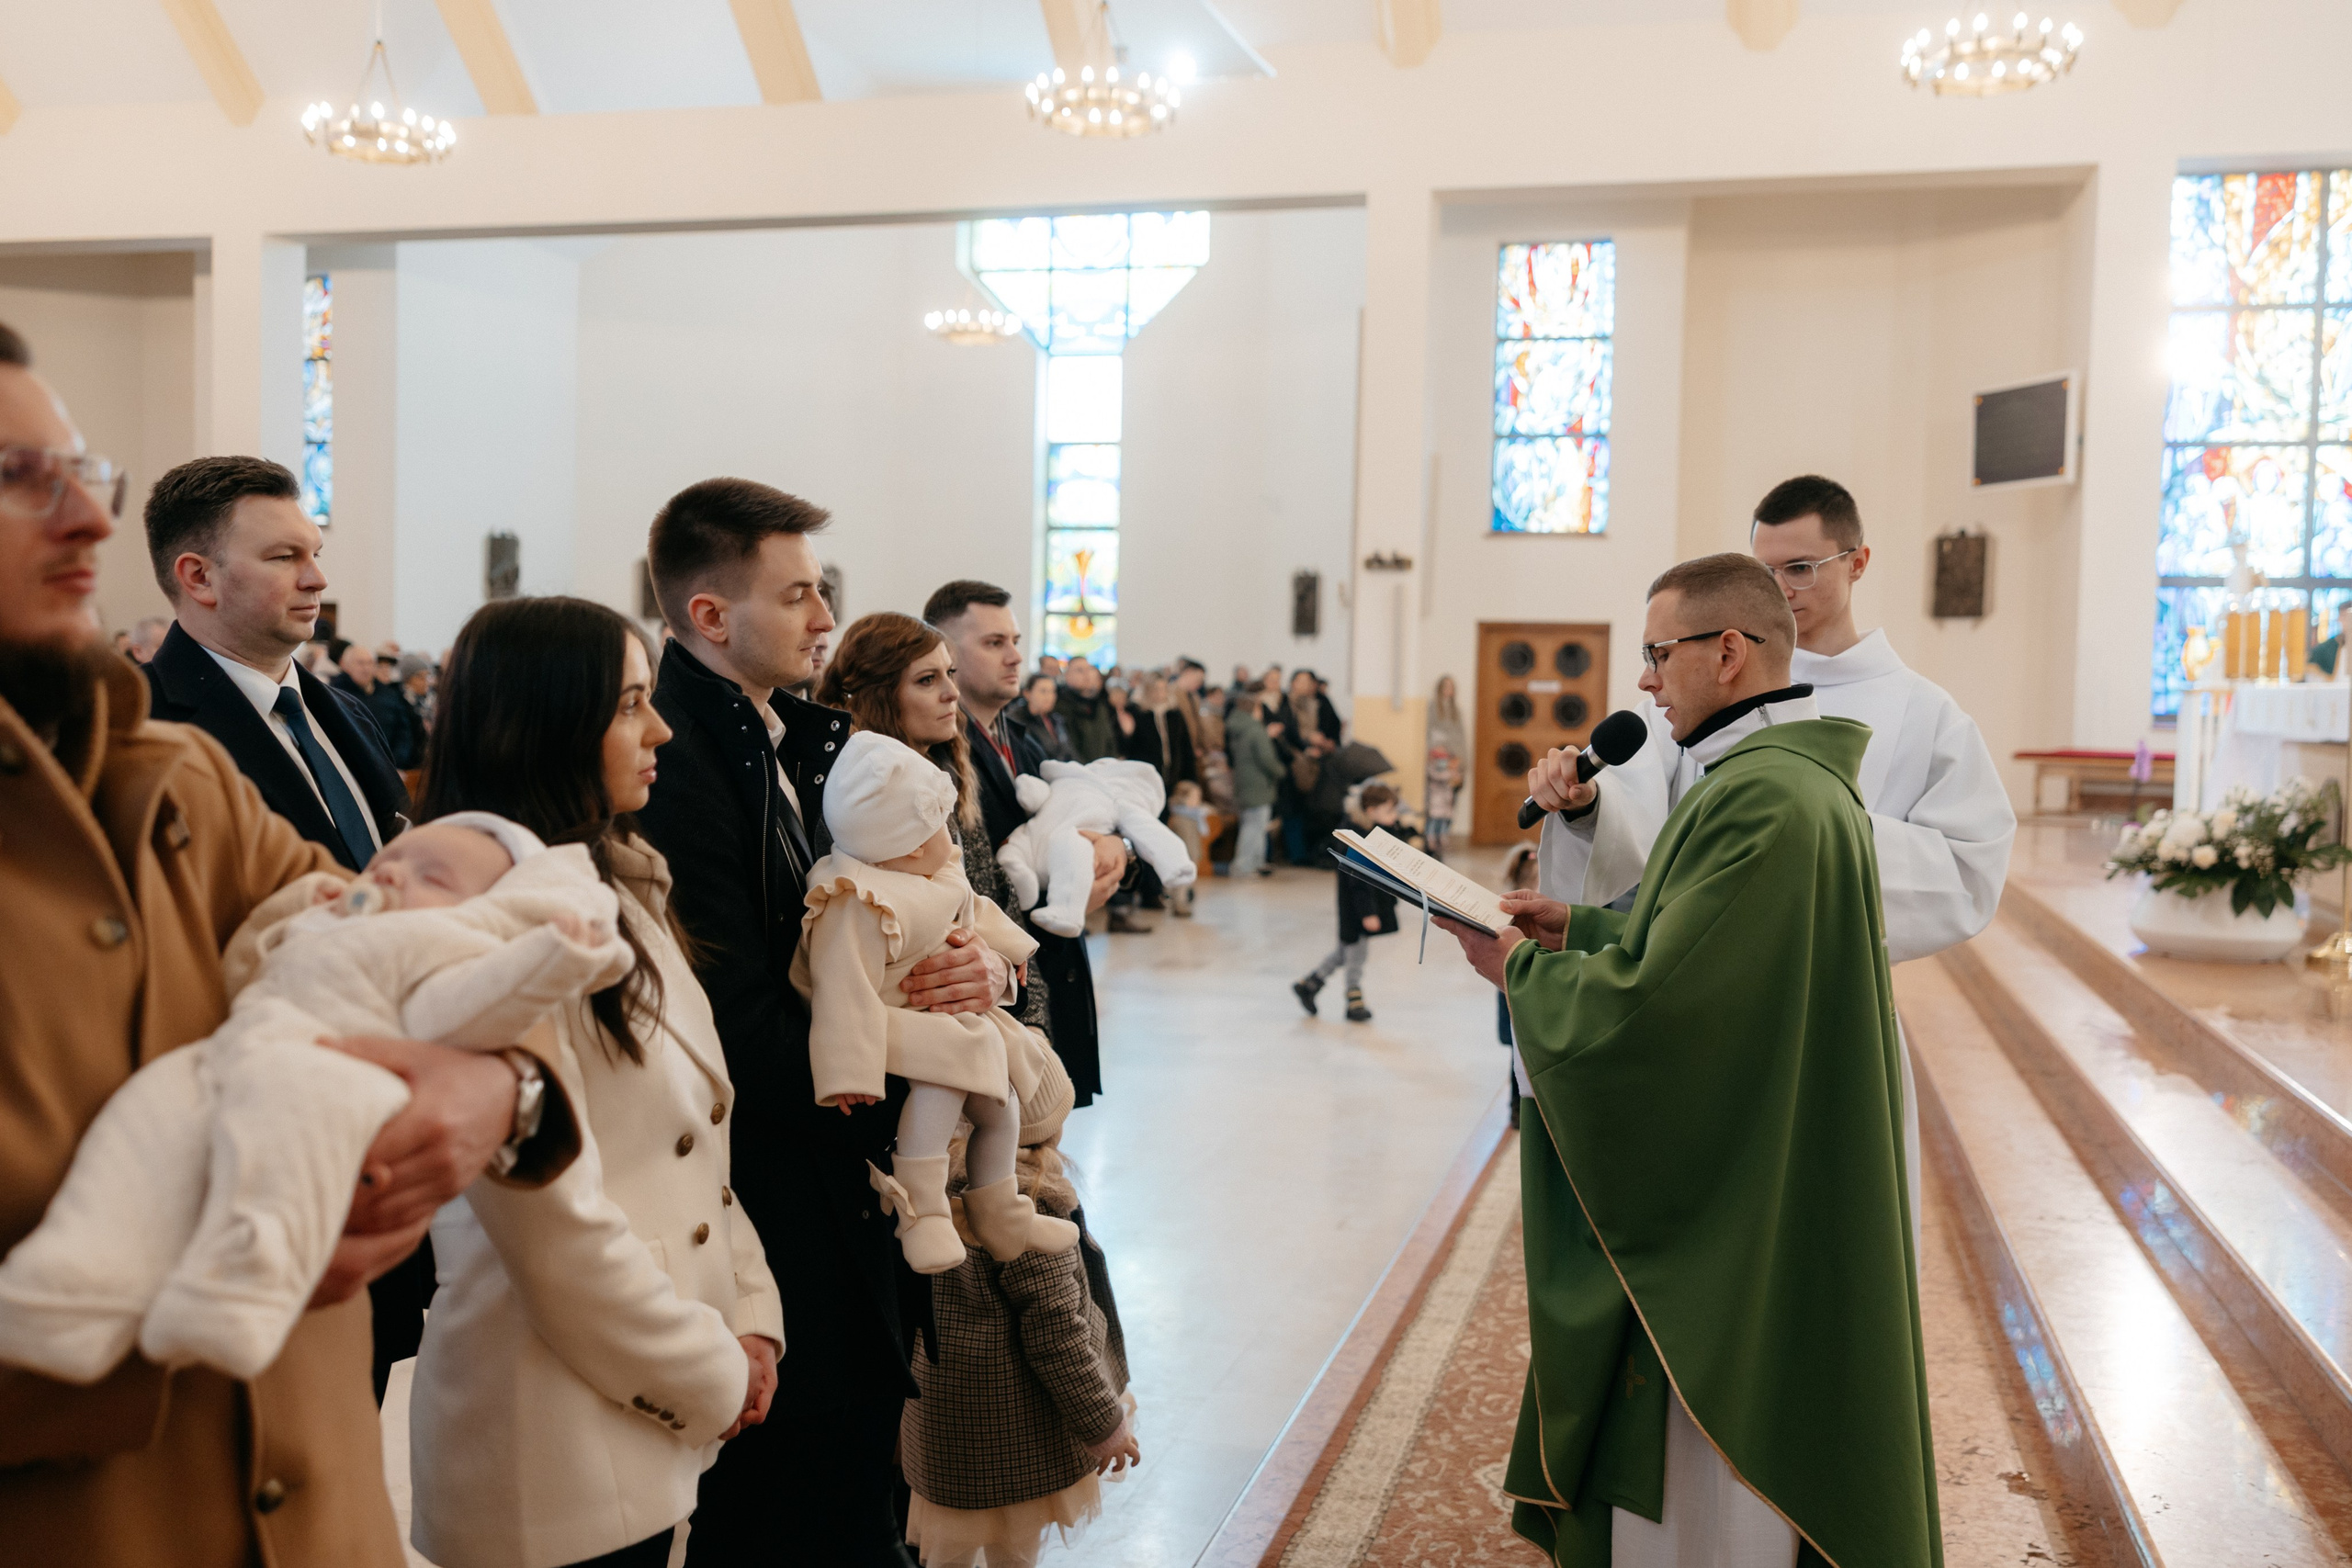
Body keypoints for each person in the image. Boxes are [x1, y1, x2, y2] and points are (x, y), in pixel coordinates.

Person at [0, 317, 577, 1565]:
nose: (95, 525)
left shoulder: (172, 773)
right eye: (17, 477)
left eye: (81, 477)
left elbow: (407, 955)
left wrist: (501, 1086)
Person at [1446, 554, 1936, 1568]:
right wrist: (1574, 929)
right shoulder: (1767, 783)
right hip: (1764, 1156)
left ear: (1727, 650)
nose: (1644, 682)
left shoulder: (1764, 802)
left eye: (1658, 654)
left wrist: (1517, 975)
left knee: (1706, 1507)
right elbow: (1678, 946)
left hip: (1732, 1211)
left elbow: (1665, 1016)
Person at [635, 480, 1004, 1567]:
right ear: (711, 616)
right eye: (798, 595)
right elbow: (730, 1015)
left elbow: (886, 924)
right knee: (795, 1507)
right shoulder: (686, 770)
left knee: (852, 1485)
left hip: (844, 1176)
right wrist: (902, 1101)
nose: (823, 618)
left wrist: (967, 975)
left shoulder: (793, 740)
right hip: (781, 1189)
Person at [405, 596, 784, 1568]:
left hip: (646, 1393)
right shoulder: (501, 923)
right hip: (552, 1417)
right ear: (545, 724)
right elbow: (549, 1226)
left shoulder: (617, 879)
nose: (659, 729)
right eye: (627, 705)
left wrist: (749, 1315)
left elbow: (698, 1142)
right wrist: (704, 1369)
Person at [0, 813, 629, 1386]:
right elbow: (253, 950)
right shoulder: (333, 913)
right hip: (234, 1055)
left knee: (278, 1165)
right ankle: (68, 1286)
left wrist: (549, 965)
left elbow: (475, 1002)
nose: (389, 873)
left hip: (334, 1071)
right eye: (389, 858)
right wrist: (305, 908)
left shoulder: (437, 941)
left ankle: (239, 1293)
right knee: (143, 1121)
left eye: (430, 874)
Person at [138, 457, 433, 1394]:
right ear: (198, 576)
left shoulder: (341, 712)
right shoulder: (153, 729)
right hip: (257, 1154)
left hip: (381, 1135)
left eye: (316, 553)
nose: (317, 578)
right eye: (284, 557)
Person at [793, 726, 1077, 1273]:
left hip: (940, 1013)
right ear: (912, 842)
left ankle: (1001, 1211)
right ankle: (922, 1209)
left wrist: (1008, 957)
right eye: (939, 828)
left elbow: (977, 914)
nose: (949, 838)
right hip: (887, 1019)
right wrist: (848, 1071)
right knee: (943, 1079)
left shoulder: (933, 870)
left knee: (999, 1103)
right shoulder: (856, 899)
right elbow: (841, 990)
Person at [900, 1065, 1136, 1568]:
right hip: (1015, 1436)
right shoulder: (1032, 1207)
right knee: (1014, 1555)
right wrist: (1104, 1426)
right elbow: (1058, 1337)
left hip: (944, 1423)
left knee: (948, 1556)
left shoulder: (933, 1185)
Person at [926, 581, 1127, 1108]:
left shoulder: (1024, 740)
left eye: (1015, 639)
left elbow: (1082, 814)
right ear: (945, 652)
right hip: (997, 984)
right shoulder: (933, 751)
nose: (1016, 655)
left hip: (1056, 968)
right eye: (994, 643)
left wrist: (1114, 850)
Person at [1293, 784, 1412, 1023]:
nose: (1394, 817)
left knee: (1346, 949)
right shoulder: (1353, 836)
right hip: (1356, 904)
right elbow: (1356, 879)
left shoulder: (1376, 830)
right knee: (1356, 951)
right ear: (1370, 810)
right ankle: (1354, 999)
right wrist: (1368, 912)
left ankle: (1311, 983)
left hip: (1366, 902)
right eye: (1389, 811)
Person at [1224, 689, 1283, 879]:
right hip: (1258, 784)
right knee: (1255, 827)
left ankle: (1252, 863)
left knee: (1251, 825)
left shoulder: (1237, 728)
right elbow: (1266, 759)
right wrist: (1281, 771)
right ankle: (1245, 865)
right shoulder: (1255, 730)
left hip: (1244, 782)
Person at [1424, 675, 1466, 860]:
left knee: (1449, 802)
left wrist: (1460, 761)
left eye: (1451, 687)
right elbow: (1432, 734)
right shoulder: (1433, 708)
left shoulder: (1456, 710)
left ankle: (1444, 834)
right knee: (1435, 803)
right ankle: (1431, 837)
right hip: (1438, 757)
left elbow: (1460, 738)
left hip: (1454, 759)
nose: (1448, 690)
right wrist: (1438, 751)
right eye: (1445, 687)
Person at [1055, 659, 1117, 763]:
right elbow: (1068, 747)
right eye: (1080, 670)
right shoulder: (1060, 706)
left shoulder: (1098, 705)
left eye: (1089, 669)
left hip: (1102, 770)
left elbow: (1109, 740)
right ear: (1067, 675)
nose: (1086, 674)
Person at [1005, 671, 1073, 761]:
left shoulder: (1056, 720)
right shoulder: (1016, 721)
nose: (1049, 697)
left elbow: (1070, 752)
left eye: (1053, 691)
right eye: (1043, 691)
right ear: (1027, 694)